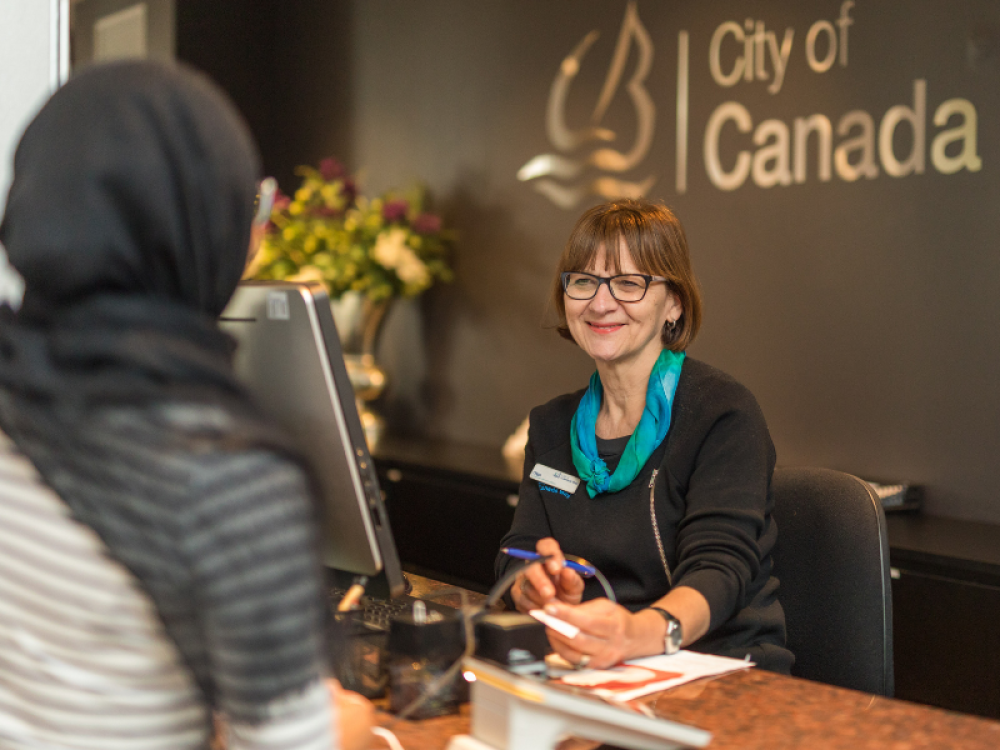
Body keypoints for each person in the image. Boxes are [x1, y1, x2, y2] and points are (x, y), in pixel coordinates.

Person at [0, 61, 373, 749]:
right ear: (203, 225)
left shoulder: (17, 382)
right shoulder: (222, 469)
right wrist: (350, 726)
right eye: (251, 207)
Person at [496, 199, 793, 674]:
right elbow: (519, 550)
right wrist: (533, 582)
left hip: (713, 668)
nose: (600, 302)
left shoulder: (722, 413)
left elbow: (720, 568)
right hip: (594, 667)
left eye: (629, 283)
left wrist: (639, 634)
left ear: (673, 302)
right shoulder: (551, 425)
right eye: (583, 281)